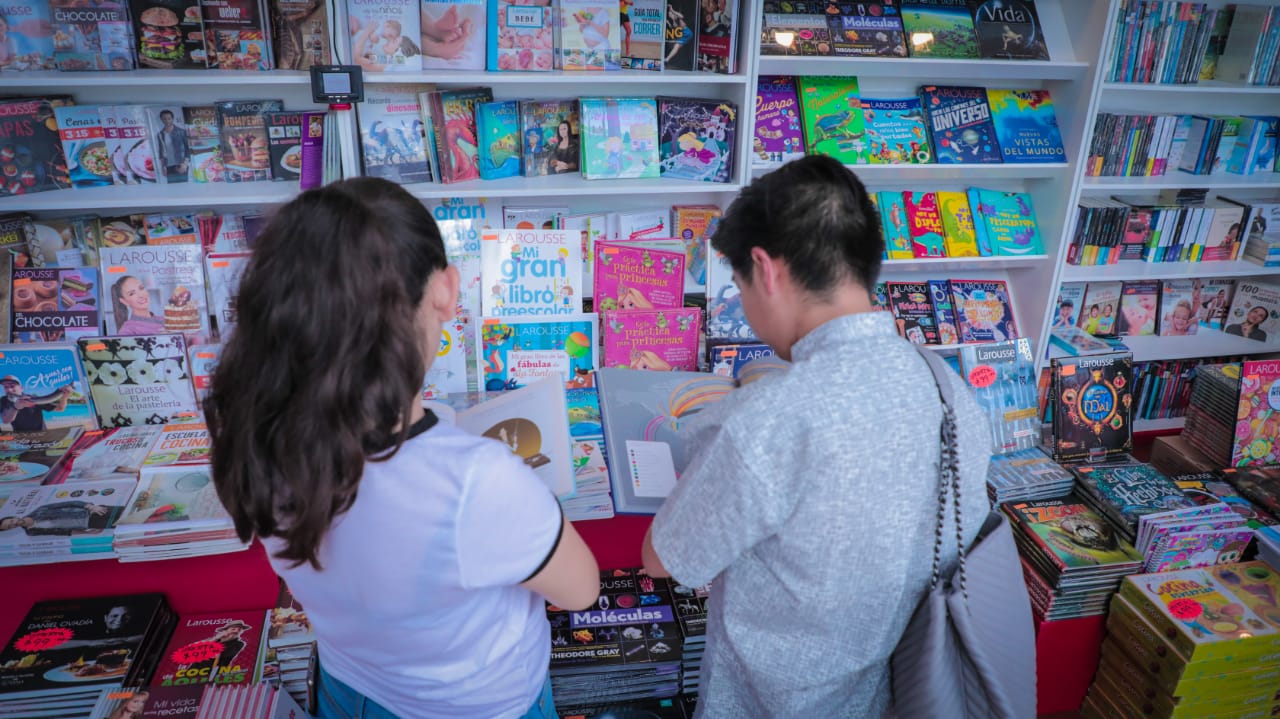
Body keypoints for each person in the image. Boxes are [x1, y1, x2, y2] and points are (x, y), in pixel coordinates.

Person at [204, 177, 599, 719]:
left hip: (348, 687)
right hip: (477, 705)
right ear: (446, 291)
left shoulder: (257, 435)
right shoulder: (477, 481)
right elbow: (581, 588)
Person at [640, 155, 993, 717]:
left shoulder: (766, 418)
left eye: (739, 288)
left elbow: (665, 557)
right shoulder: (947, 386)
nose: (747, 310)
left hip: (769, 700)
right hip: (898, 687)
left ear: (767, 269)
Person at [0, 376, 72, 431]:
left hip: (41, 438)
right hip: (21, 440)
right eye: (6, 387)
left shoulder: (34, 398)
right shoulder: (3, 401)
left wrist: (65, 397)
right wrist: (16, 407)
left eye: (12, 386)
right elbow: (6, 420)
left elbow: (60, 408)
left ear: (21, 388)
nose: (9, 390)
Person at [0, 501, 113, 536]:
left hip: (93, 512)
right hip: (89, 524)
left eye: (11, 521)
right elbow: (63, 532)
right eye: (10, 526)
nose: (13, 524)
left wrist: (92, 506)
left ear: (13, 517)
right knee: (122, 524)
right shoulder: (31, 532)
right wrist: (87, 533)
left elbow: (70, 503)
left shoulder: (40, 509)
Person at [154, 109, 190, 184]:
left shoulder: (181, 132)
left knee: (184, 187)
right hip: (168, 166)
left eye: (169, 118)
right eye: (164, 119)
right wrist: (163, 166)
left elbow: (188, 148)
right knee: (171, 188)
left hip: (181, 164)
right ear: (161, 119)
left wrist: (185, 164)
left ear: (172, 119)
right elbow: (161, 151)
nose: (167, 121)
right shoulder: (160, 134)